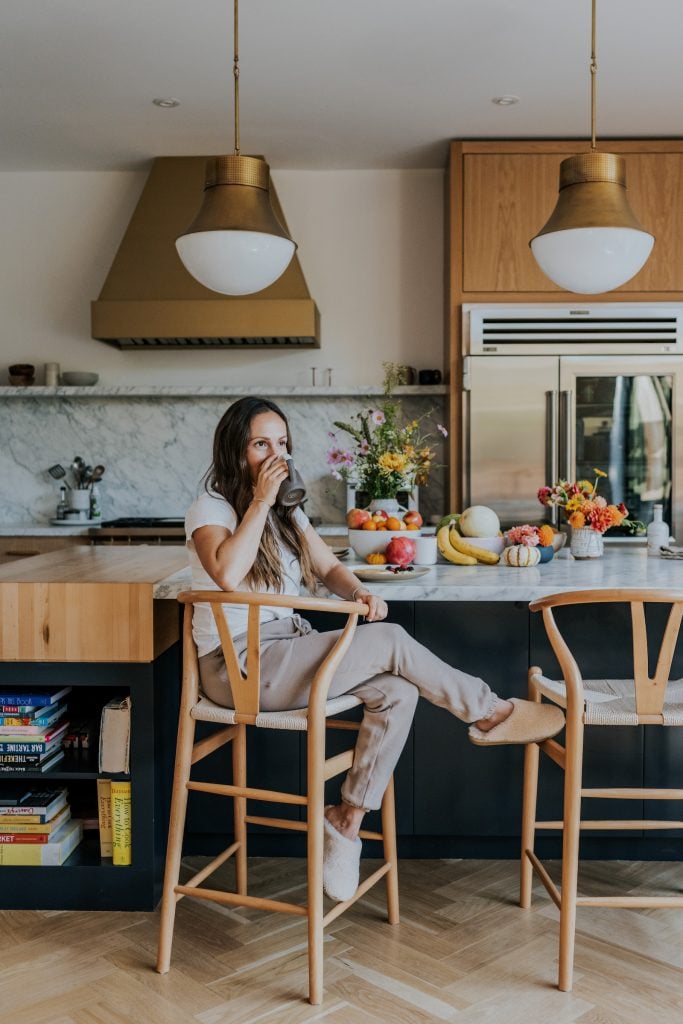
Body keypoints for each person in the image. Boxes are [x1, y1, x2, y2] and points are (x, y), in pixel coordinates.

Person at [186, 397, 564, 901]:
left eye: (282, 444)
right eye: (261, 444)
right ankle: (490, 710)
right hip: (238, 666)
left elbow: (327, 567)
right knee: (388, 640)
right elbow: (228, 574)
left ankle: (346, 818)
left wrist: (357, 591)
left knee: (396, 692)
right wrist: (258, 501)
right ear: (236, 452)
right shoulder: (210, 507)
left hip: (283, 651)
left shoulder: (285, 511)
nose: (276, 455)